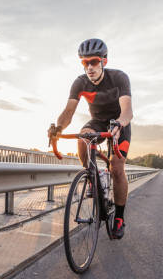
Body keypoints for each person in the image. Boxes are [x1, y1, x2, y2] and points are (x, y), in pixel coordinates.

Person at [48, 38, 133, 239]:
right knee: (82, 139)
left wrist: (120, 124)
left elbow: (128, 110)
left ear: (104, 61)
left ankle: (119, 218)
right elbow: (68, 112)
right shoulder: (80, 82)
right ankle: (93, 178)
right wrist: (58, 128)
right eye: (85, 62)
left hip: (119, 122)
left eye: (94, 61)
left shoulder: (119, 78)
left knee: (117, 168)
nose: (89, 67)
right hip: (98, 121)